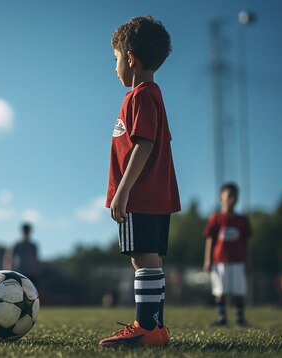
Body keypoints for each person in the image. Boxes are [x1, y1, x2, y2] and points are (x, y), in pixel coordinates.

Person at [98, 16, 180, 347]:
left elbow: (144, 144)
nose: (115, 67)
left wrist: (123, 190)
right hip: (158, 197)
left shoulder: (140, 97)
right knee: (150, 257)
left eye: (116, 59)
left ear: (130, 58)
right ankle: (155, 327)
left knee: (142, 258)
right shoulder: (153, 96)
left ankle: (145, 327)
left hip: (141, 196)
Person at [203, 182, 252, 326]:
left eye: (235, 196)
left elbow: (246, 242)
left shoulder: (242, 220)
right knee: (220, 291)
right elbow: (210, 239)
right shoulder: (216, 218)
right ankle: (222, 318)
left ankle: (240, 318)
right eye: (229, 196)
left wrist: (248, 261)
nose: (232, 199)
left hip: (238, 260)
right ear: (221, 198)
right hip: (219, 261)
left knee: (239, 291)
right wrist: (207, 259)